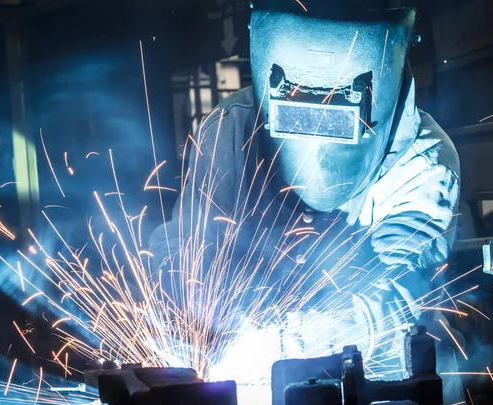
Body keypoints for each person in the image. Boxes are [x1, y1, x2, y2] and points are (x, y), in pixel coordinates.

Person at [150, 0, 462, 397]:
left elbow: (400, 303)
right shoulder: (231, 128)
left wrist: (286, 342)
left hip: (376, 382)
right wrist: (183, 312)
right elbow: (188, 244)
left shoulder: (426, 164)